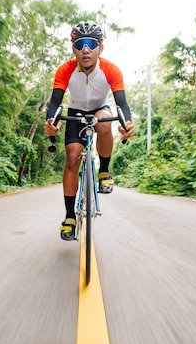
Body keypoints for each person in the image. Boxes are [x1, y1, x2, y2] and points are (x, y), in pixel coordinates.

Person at [44, 21, 135, 241]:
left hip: (100, 108)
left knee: (104, 122)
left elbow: (121, 103)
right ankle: (69, 217)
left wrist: (127, 123)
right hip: (75, 110)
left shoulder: (111, 70)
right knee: (72, 158)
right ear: (73, 47)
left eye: (91, 44)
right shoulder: (65, 70)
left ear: (100, 48)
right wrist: (51, 122)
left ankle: (103, 171)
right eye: (80, 43)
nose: (86, 49)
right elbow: (55, 103)